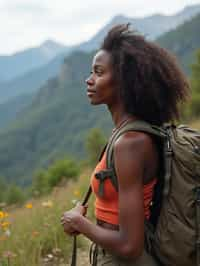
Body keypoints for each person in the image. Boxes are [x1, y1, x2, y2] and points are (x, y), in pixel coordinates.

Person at [61, 24, 190, 265]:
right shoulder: (126, 132)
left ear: (124, 80)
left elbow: (130, 246)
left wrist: (79, 223)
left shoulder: (129, 144)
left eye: (99, 73)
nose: (89, 80)